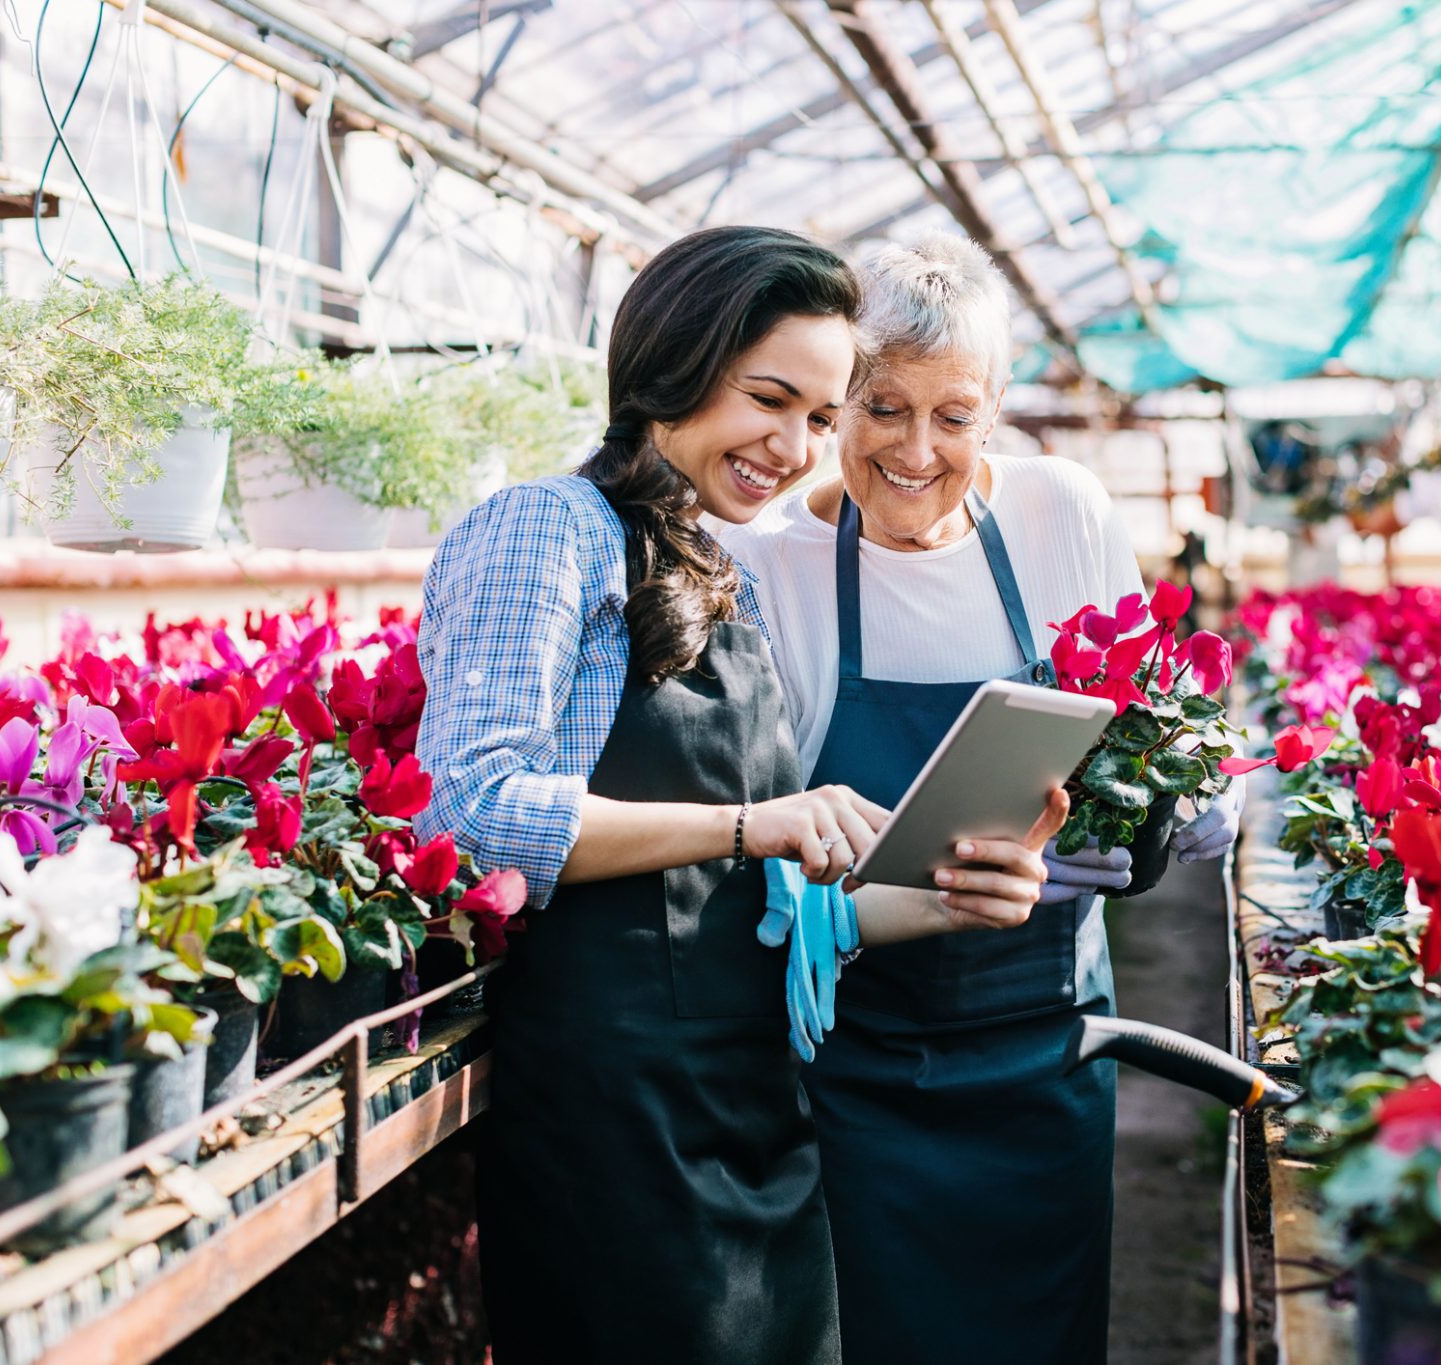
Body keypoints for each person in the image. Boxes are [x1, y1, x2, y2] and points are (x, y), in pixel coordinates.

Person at [413, 226, 1063, 1365]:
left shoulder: (720, 569)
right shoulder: (550, 529)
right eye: (770, 398)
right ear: (673, 363)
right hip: (617, 1117)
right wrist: (747, 822)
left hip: (754, 1105)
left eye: (819, 418)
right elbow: (470, 807)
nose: (795, 446)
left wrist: (950, 897)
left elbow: (757, 912)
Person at [719, 232, 1244, 1365]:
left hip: (1046, 1045)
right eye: (881, 408)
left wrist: (1161, 822)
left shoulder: (1063, 515)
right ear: (831, 410)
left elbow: (1142, 734)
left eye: (953, 416)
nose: (915, 450)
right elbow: (751, 837)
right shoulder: (767, 565)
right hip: (857, 1064)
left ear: (996, 413)